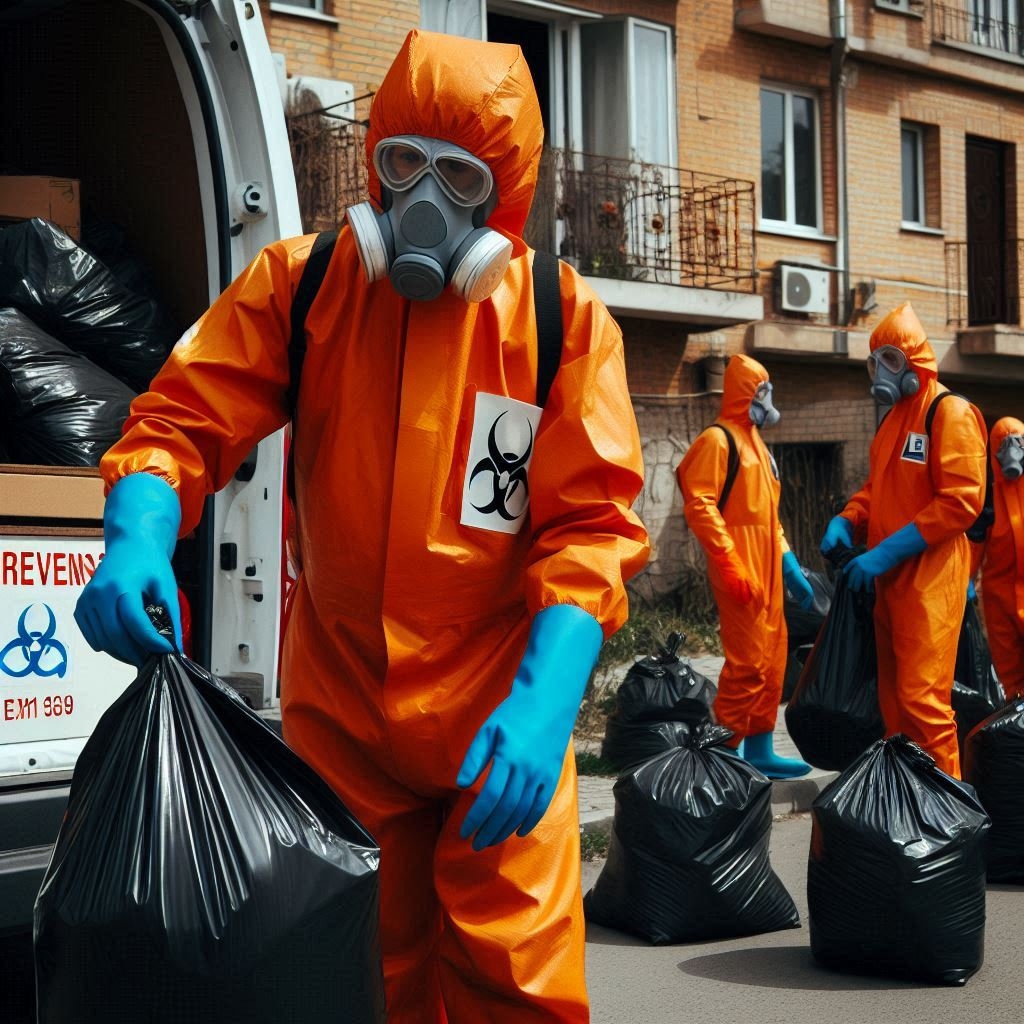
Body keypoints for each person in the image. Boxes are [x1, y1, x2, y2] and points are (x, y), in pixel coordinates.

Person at [74, 30, 649, 1023]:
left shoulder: (558, 321)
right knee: (354, 977)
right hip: (342, 713)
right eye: (401, 164)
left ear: (504, 197)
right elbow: (179, 420)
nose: (424, 202)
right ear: (373, 157)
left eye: (460, 177)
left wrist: (548, 700)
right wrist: (136, 530)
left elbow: (589, 526)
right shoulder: (305, 286)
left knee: (511, 981)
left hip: (495, 718)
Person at [820, 301, 987, 778]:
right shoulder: (894, 418)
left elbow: (961, 502)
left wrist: (885, 552)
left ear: (916, 360)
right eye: (875, 361)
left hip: (930, 577)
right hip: (890, 581)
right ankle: (907, 804)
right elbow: (878, 489)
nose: (881, 371)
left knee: (924, 701)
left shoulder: (948, 411)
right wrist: (848, 519)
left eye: (891, 359)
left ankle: (946, 814)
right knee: (894, 703)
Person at [676, 352, 814, 779]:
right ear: (745, 393)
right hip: (740, 566)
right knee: (748, 663)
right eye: (761, 389)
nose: (767, 397)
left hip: (768, 569)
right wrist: (730, 564)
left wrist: (790, 564)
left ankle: (760, 748)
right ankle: (725, 751)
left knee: (772, 661)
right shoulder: (718, 441)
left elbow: (768, 517)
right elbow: (700, 505)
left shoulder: (756, 444)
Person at [979, 416, 1024, 700]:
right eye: (1004, 444)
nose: (1011, 452)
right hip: (999, 600)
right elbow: (973, 542)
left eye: (1017, 443)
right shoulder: (986, 496)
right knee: (1011, 682)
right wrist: (964, 582)